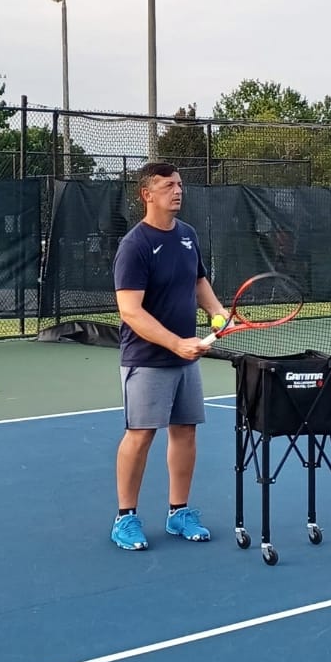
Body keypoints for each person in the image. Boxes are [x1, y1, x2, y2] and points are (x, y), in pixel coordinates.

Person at [110, 161, 230, 551]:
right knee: (140, 434)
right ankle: (124, 518)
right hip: (146, 359)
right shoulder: (135, 246)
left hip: (185, 359)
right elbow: (130, 311)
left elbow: (199, 282)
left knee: (185, 430)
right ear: (147, 194)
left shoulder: (188, 236)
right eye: (166, 186)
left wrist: (217, 312)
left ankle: (179, 512)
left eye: (179, 184)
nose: (177, 191)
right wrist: (176, 343)